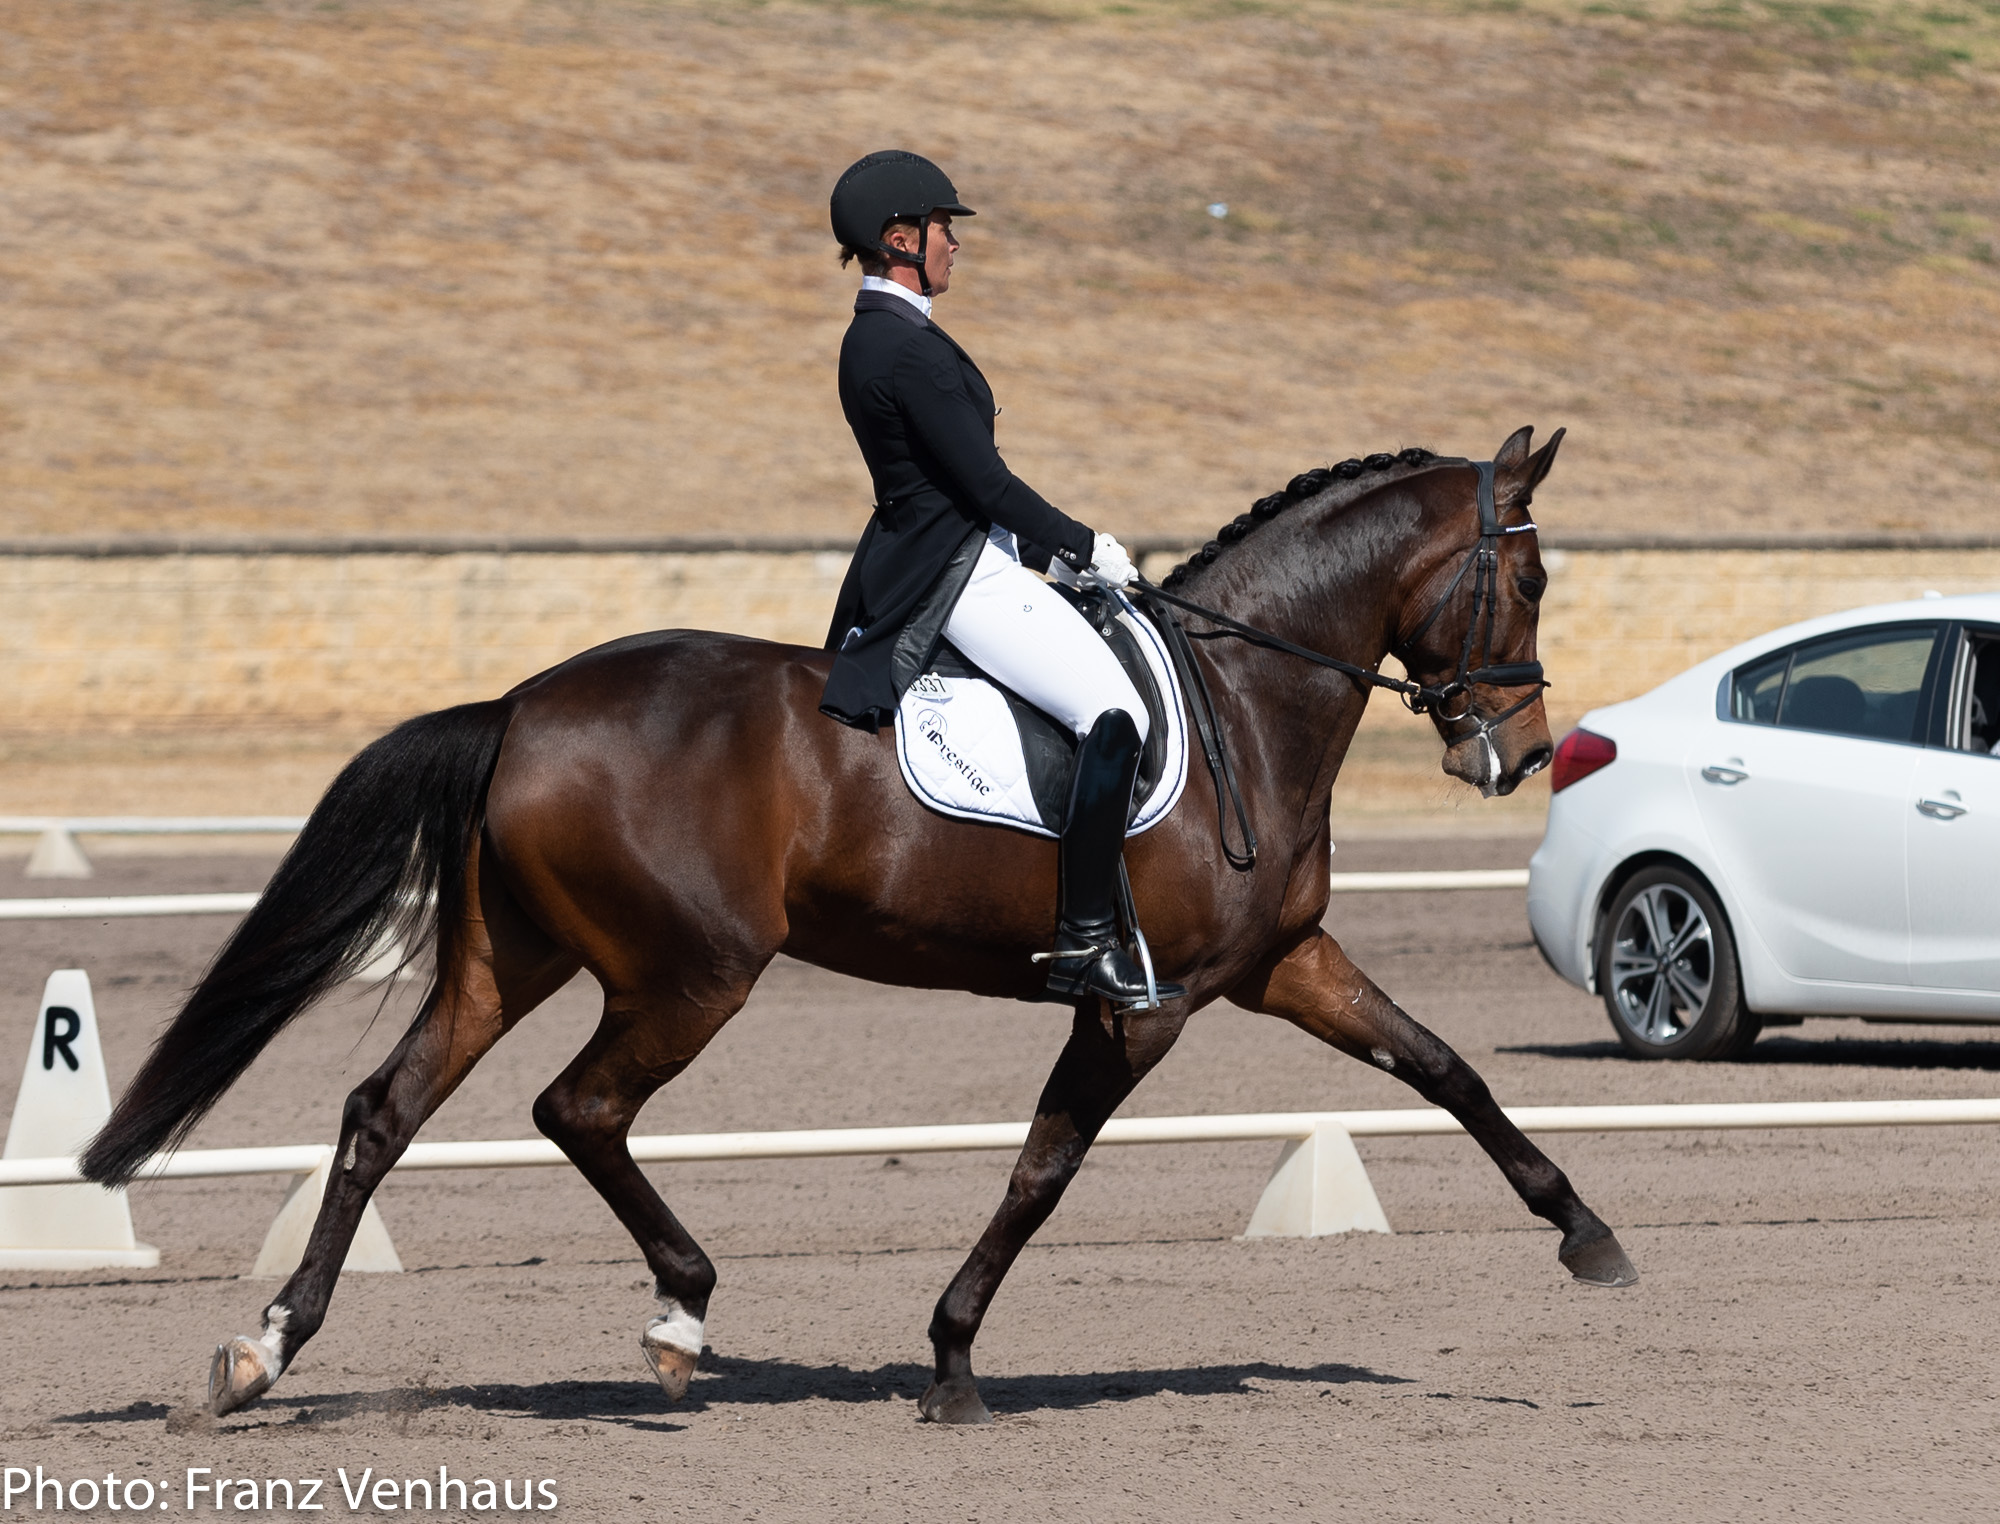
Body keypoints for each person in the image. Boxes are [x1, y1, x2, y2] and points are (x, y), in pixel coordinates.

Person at [819, 149, 1183, 1008]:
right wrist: (1085, 544)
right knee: (1115, 711)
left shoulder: (886, 333)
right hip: (955, 570)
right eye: (944, 229)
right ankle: (1085, 941)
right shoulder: (904, 348)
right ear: (900, 238)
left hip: (958, 549)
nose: (955, 244)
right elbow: (985, 485)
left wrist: (1043, 554)